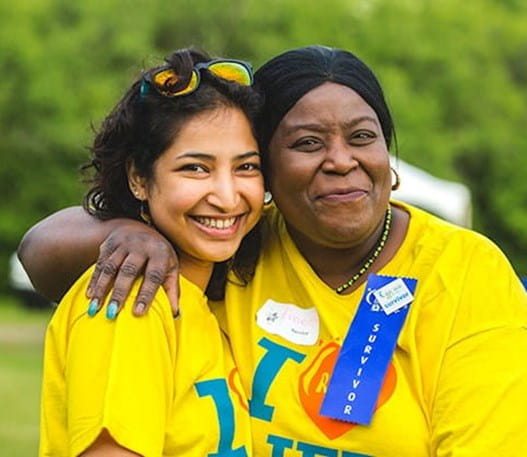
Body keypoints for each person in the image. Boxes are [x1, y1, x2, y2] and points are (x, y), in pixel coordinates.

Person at [20, 45, 527, 456]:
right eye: (307, 143)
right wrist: (133, 235)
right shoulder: (219, 252)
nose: (340, 160)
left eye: (363, 137)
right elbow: (40, 250)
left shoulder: (464, 272)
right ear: (269, 169)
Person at [36, 48, 264, 456]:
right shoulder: (128, 297)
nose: (228, 196)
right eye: (195, 168)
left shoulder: (213, 300)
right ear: (139, 178)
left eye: (245, 167)